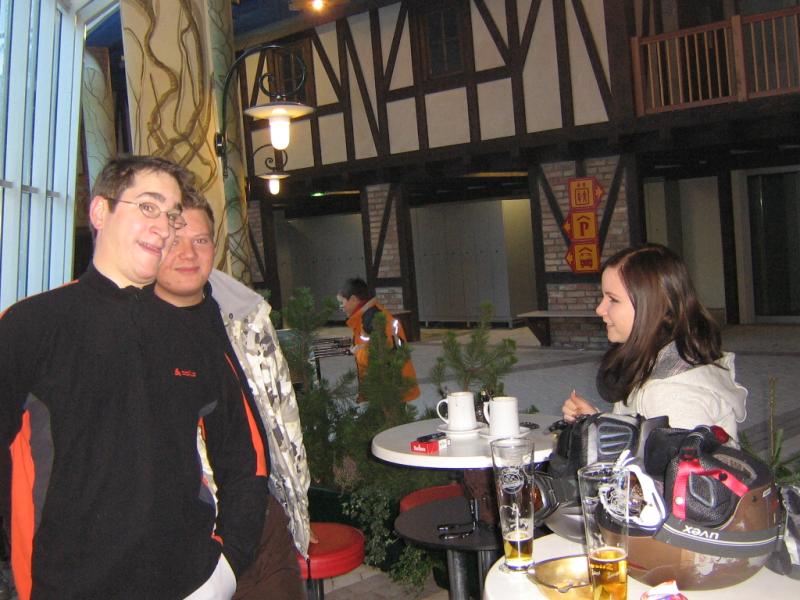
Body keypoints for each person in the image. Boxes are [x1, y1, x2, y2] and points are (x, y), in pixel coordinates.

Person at [0, 156, 268, 600]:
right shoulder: (31, 325)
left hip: (190, 584)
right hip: (68, 588)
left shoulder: (191, 332)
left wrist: (226, 567)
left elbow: (247, 456)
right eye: (148, 206)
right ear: (100, 211)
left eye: (172, 214)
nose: (165, 227)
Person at [154, 193, 311, 600]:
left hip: (263, 520)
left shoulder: (246, 318)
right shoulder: (134, 336)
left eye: (201, 240)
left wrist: (292, 504)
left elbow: (282, 415)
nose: (189, 253)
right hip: (188, 535)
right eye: (174, 240)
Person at [562, 244, 747, 438]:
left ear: (653, 306)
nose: (600, 309)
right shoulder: (665, 362)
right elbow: (645, 443)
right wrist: (597, 422)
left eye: (613, 300)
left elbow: (671, 457)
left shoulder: (672, 395)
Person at [337, 277, 420, 402]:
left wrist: (358, 353)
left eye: (342, 302)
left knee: (391, 414)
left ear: (353, 299)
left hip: (390, 389)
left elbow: (381, 355)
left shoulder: (372, 319)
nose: (342, 307)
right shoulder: (366, 317)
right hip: (386, 386)